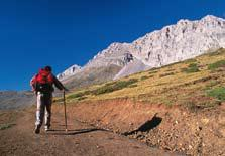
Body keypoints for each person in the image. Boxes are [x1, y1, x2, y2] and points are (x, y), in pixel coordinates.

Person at [30, 66, 68, 134]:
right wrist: (63, 89)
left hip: (40, 94)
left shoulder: (37, 74)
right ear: (50, 70)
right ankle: (46, 126)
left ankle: (38, 124)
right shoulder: (51, 75)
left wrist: (35, 90)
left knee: (39, 110)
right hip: (48, 94)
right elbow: (57, 83)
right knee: (48, 110)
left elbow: (31, 82)